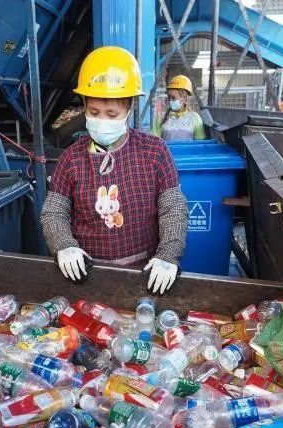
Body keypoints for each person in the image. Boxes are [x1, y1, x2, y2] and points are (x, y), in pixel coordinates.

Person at [40, 46, 188, 294]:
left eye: (112, 114)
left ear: (129, 108)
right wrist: (63, 245)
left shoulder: (154, 151)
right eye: (94, 112)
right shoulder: (71, 159)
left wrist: (168, 254)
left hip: (144, 276)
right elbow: (54, 212)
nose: (102, 121)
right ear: (84, 105)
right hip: (86, 277)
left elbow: (173, 207)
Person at [153, 75, 207, 141]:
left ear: (184, 98)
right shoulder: (160, 118)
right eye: (169, 97)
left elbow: (200, 144)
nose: (170, 100)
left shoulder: (195, 118)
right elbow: (154, 142)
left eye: (173, 97)